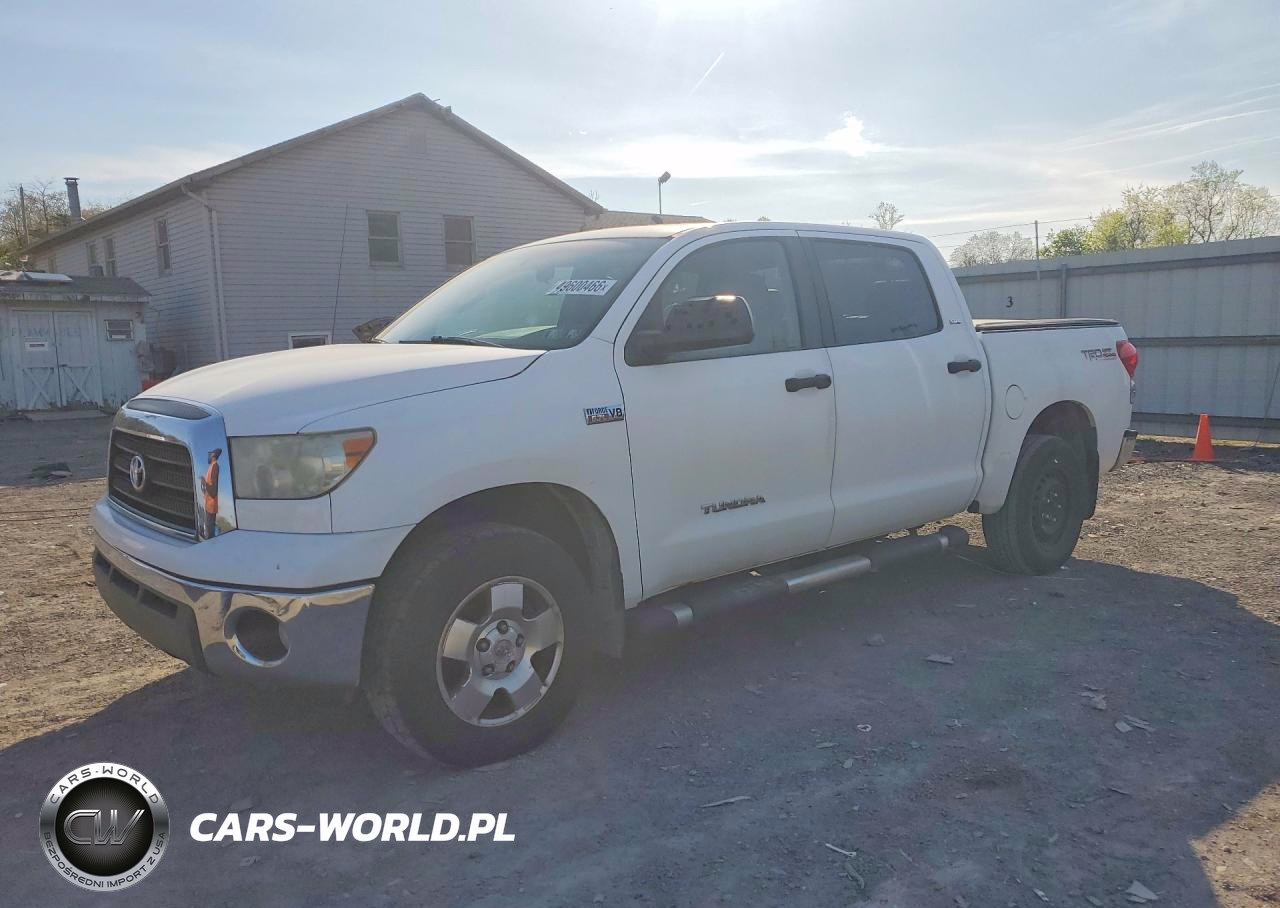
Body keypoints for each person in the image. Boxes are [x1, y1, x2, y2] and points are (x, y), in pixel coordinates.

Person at [200, 448, 222, 538]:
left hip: (211, 507)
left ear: (213, 455)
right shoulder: (211, 466)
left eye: (210, 454)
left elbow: (213, 491)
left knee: (209, 534)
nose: (208, 456)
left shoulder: (215, 466)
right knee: (208, 530)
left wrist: (205, 483)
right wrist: (204, 484)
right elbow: (209, 489)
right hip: (208, 505)